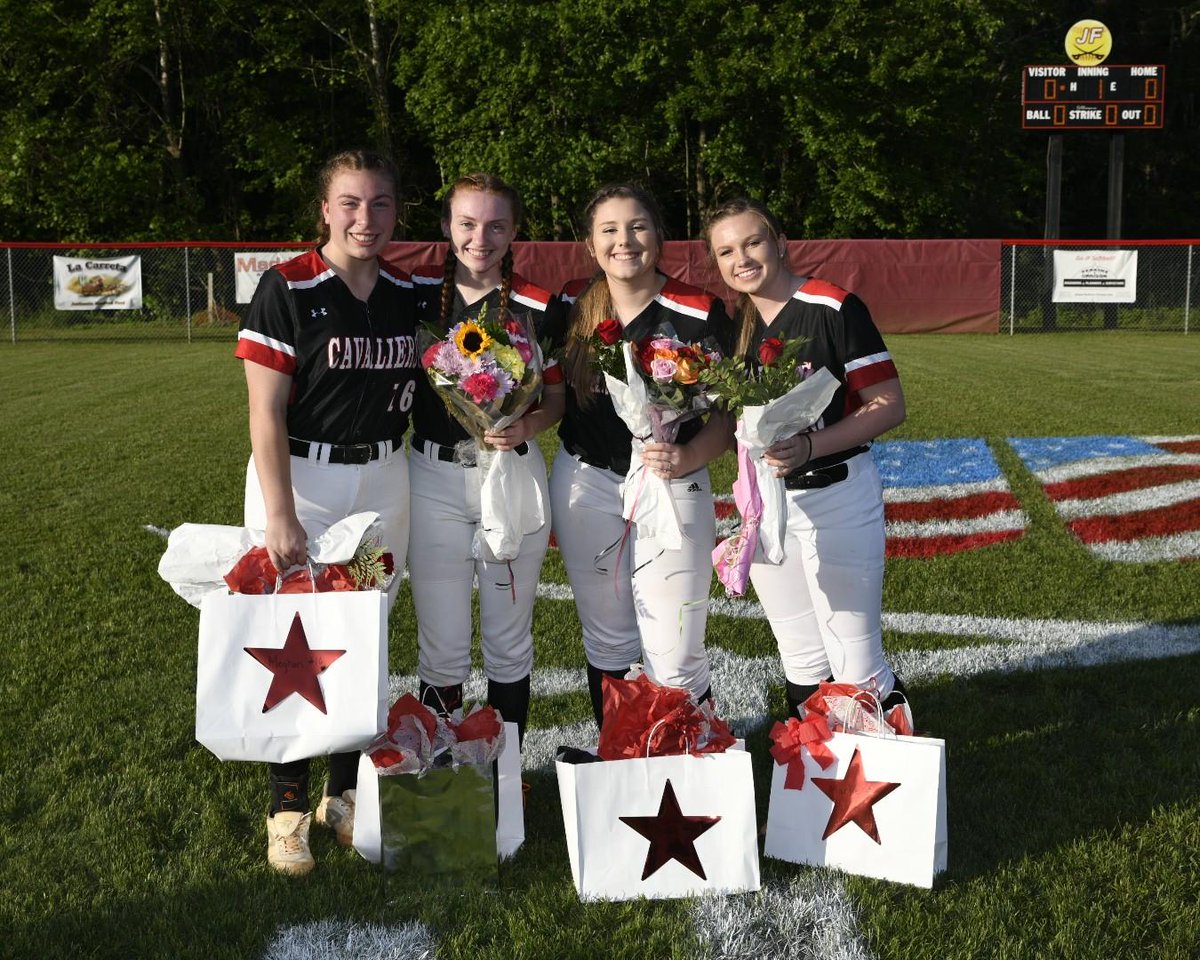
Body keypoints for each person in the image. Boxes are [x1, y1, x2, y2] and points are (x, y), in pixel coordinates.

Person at [235, 148, 419, 875]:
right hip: (303, 478)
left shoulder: (409, 290)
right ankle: (286, 808)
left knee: (363, 635)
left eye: (379, 203)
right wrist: (280, 514)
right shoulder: (288, 286)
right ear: (324, 210)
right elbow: (264, 412)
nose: (364, 218)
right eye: (349, 202)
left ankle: (342, 797)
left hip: (385, 478)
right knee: (293, 644)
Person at [703, 197, 907, 718]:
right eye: (726, 251)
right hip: (768, 509)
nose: (741, 259)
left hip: (836, 494)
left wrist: (811, 445)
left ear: (779, 242)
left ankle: (886, 793)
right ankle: (819, 788)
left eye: (752, 242)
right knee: (800, 662)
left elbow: (888, 406)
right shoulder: (735, 327)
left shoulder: (834, 307)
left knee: (856, 664)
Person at [547, 183, 734, 727]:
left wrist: (690, 454)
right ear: (589, 243)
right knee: (607, 640)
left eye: (638, 227)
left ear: (659, 235)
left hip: (673, 481)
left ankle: (690, 781)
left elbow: (727, 417)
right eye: (608, 229)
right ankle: (622, 763)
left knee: (675, 648)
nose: (624, 241)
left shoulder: (700, 312)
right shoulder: (572, 304)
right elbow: (554, 394)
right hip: (586, 477)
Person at [407, 173, 565, 743]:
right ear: (448, 226)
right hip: (431, 476)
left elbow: (557, 398)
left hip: (513, 475)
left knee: (507, 638)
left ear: (515, 229)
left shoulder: (540, 305)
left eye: (496, 224)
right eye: (468, 223)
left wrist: (527, 421)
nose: (481, 237)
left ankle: (504, 773)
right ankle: (441, 767)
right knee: (442, 642)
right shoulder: (415, 293)